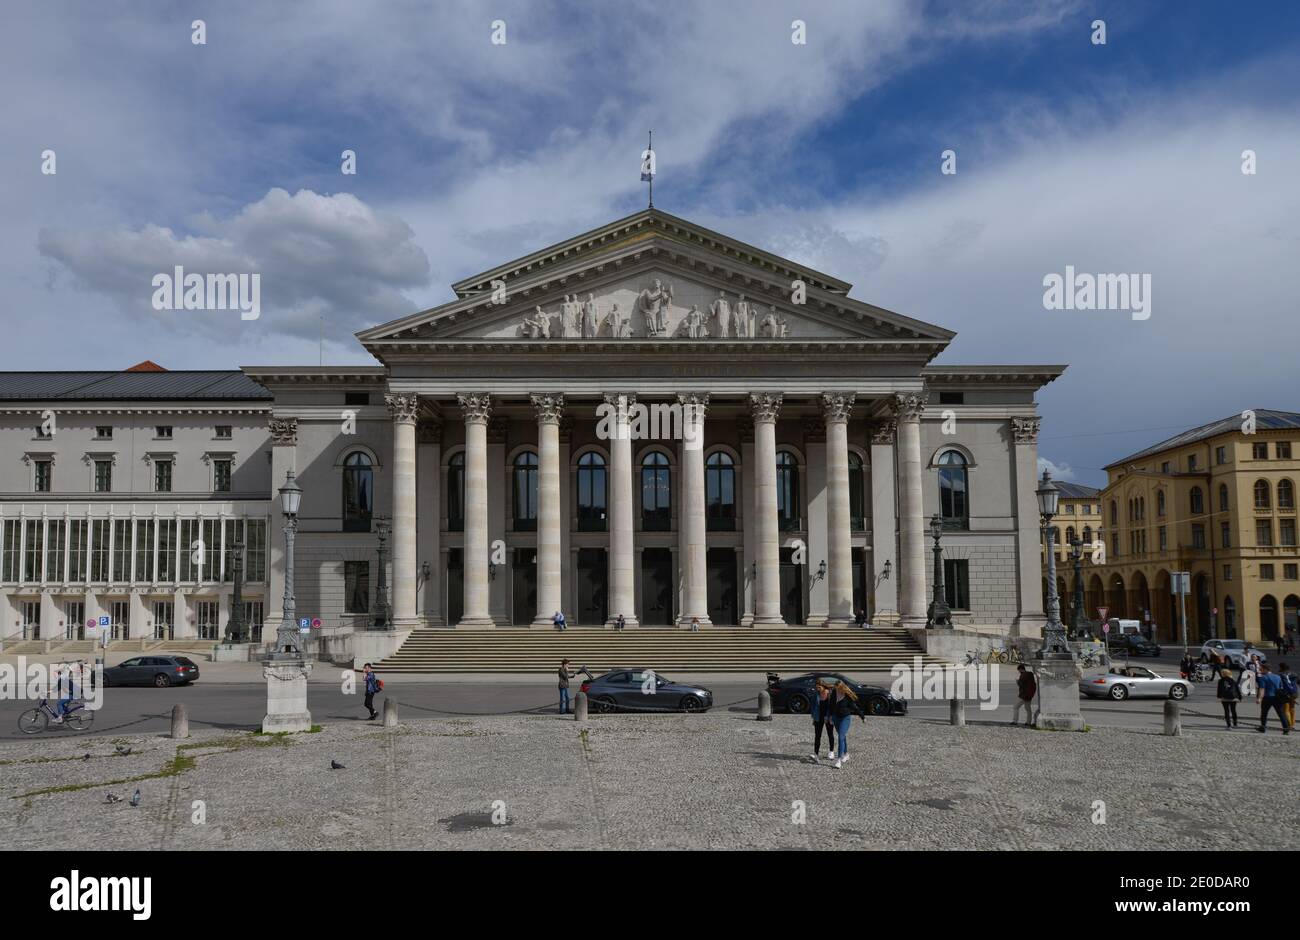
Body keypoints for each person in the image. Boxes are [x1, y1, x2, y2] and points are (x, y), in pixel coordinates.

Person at [829, 681, 865, 769]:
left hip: (845, 718)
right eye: (836, 689)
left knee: (840, 737)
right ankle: (846, 754)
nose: (837, 691)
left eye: (838, 689)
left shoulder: (847, 696)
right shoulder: (834, 693)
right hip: (836, 718)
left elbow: (854, 707)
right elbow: (831, 705)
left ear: (842, 688)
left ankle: (839, 760)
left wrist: (862, 717)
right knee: (842, 736)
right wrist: (830, 716)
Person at [1255, 663, 1290, 734]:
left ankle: (1263, 728)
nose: (1260, 670)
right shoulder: (1277, 677)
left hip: (1267, 698)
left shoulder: (1263, 677)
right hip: (1277, 698)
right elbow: (1280, 687)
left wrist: (1259, 698)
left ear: (1265, 669)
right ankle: (1286, 729)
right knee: (1281, 714)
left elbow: (1262, 689)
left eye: (1261, 669)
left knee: (1264, 713)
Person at [808, 679, 836, 762]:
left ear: (823, 686)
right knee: (817, 735)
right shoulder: (816, 694)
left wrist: (829, 716)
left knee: (830, 734)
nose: (818, 689)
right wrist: (813, 716)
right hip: (818, 717)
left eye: (819, 687)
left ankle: (831, 751)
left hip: (828, 717)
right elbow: (813, 706)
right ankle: (816, 754)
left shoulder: (830, 693)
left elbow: (832, 706)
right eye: (817, 687)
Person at [1278, 661, 1297, 730]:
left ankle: (1289, 725)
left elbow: (1284, 685)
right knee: (1292, 709)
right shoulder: (1294, 674)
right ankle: (1293, 724)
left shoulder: (1281, 675)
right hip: (1294, 693)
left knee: (1286, 709)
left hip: (1286, 694)